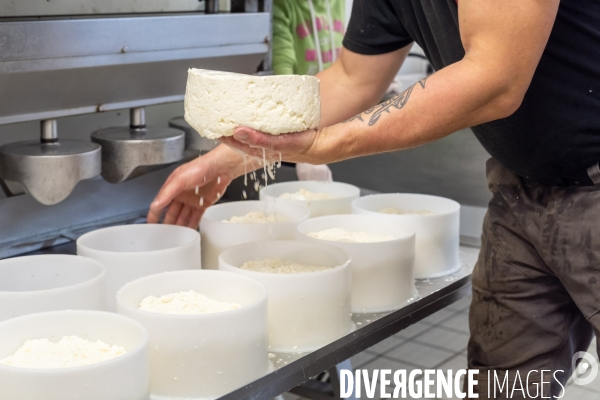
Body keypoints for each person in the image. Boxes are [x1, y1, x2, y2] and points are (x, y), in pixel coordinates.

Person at [148, 0, 600, 397]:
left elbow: (495, 76)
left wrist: (331, 144)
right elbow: (352, 78)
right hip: (520, 187)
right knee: (502, 386)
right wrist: (224, 161)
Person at [272, 0, 346, 181]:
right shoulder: (282, 5)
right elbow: (283, 76)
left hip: (336, 114)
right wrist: (305, 150)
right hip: (298, 121)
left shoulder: (339, 3)